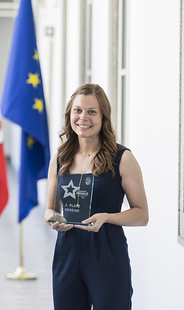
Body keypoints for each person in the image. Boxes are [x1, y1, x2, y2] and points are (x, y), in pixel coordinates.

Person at [44, 83, 148, 310]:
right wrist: (54, 219)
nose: (84, 117)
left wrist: (107, 218)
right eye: (78, 110)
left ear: (103, 118)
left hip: (107, 253)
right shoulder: (60, 158)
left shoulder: (123, 158)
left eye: (92, 112)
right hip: (67, 253)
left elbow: (142, 215)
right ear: (70, 115)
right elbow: (49, 209)